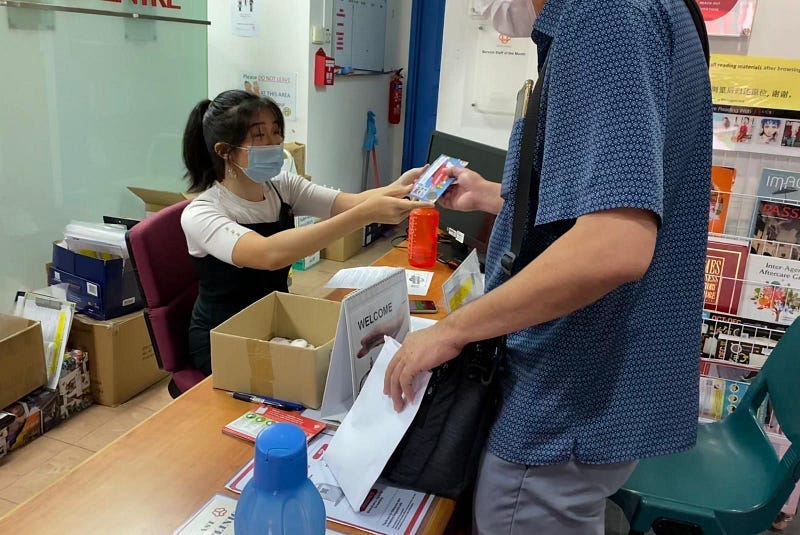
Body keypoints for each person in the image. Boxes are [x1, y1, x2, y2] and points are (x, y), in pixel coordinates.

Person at [384, 0, 711, 533]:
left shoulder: (605, 14)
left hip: (566, 395)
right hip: (601, 382)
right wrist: (497, 197)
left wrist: (454, 329)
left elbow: (613, 246)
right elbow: (607, 199)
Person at [181, 90, 428, 376]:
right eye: (259, 136)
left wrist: (404, 187)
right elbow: (269, 254)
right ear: (224, 151)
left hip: (276, 322)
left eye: (276, 131)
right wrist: (365, 215)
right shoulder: (201, 213)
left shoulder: (282, 186)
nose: (274, 142)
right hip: (223, 338)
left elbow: (348, 203)